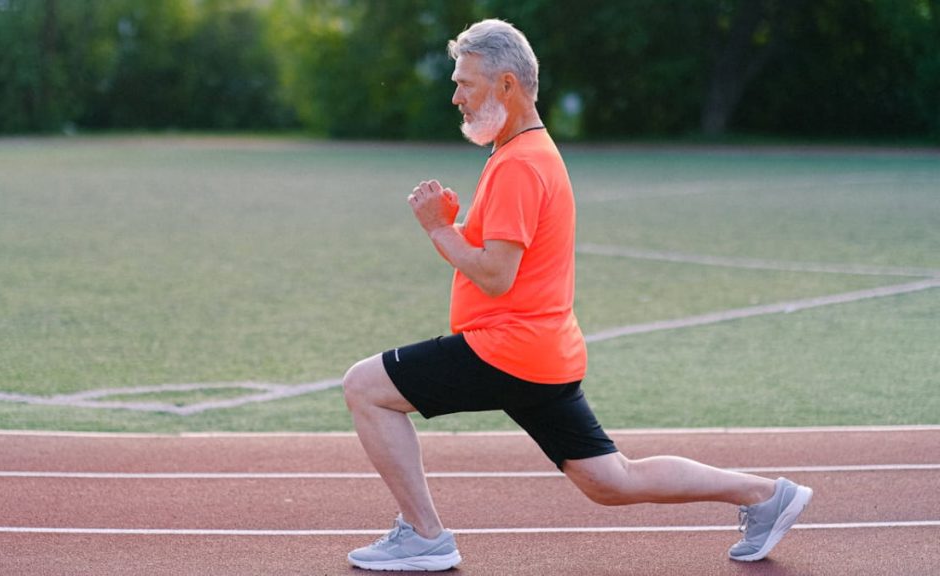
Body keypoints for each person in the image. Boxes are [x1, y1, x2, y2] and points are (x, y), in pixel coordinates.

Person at [342, 19, 812, 572]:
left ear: (507, 86)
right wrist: (457, 226)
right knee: (611, 481)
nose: (456, 96)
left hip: (507, 349)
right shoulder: (525, 152)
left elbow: (496, 275)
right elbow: (506, 257)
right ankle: (765, 495)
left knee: (366, 386)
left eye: (465, 83)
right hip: (540, 352)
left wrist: (438, 230)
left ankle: (424, 537)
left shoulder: (519, 163)